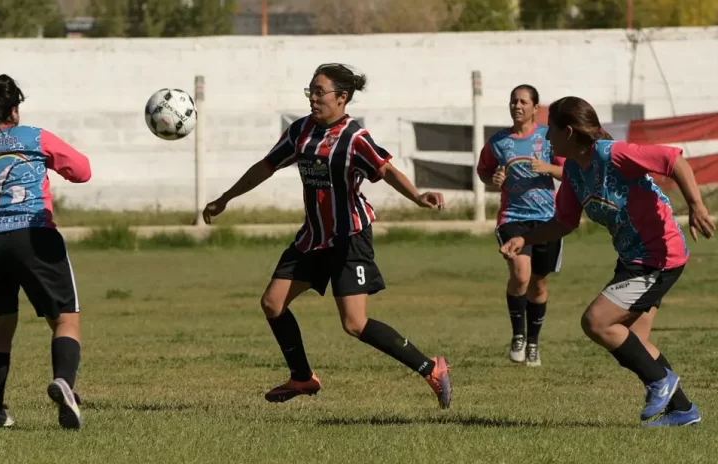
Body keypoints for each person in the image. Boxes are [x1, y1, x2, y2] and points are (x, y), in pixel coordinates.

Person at [203, 63, 452, 408]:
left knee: (353, 323)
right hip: (313, 238)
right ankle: (302, 378)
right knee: (272, 304)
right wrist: (226, 198)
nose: (313, 99)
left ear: (342, 97)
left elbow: (386, 169)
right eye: (311, 91)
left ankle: (431, 368)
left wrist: (417, 196)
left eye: (320, 92)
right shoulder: (300, 131)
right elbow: (265, 166)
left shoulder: (354, 138)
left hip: (349, 237)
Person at [499, 96, 714, 426]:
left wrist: (696, 206)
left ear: (568, 132)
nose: (545, 138)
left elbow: (674, 160)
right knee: (636, 343)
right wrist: (525, 238)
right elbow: (564, 222)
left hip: (660, 255)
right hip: (634, 256)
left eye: (551, 130)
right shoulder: (573, 169)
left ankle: (661, 383)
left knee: (597, 322)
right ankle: (682, 410)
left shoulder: (610, 154)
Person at [0, 74, 91, 429]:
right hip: (34, 237)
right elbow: (82, 171)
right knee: (65, 319)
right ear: (14, 111)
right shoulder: (33, 136)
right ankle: (64, 381)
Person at [477, 85, 565, 367]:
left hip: (547, 219)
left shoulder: (549, 138)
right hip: (512, 217)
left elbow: (570, 170)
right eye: (513, 101)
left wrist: (548, 169)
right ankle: (518, 336)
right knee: (521, 273)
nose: (517, 106)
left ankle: (534, 344)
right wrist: (495, 180)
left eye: (524, 102)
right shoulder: (498, 142)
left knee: (538, 283)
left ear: (536, 108)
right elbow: (484, 172)